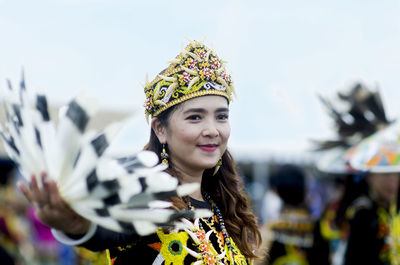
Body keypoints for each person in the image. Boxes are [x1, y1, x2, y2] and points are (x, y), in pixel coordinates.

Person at [17, 39, 262, 265]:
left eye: (221, 117)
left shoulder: (225, 205)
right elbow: (106, 232)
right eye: (195, 117)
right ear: (160, 129)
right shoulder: (142, 196)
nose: (212, 130)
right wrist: (77, 226)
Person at [257, 164, 314, 265]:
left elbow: (257, 262)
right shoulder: (317, 226)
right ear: (304, 189)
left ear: (277, 191)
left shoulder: (271, 229)